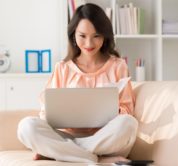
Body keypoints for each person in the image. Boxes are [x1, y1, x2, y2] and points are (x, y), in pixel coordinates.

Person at [17, 3, 138, 164]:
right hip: (66, 136)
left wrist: (113, 110)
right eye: (82, 36)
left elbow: (127, 110)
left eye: (96, 36)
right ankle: (95, 157)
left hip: (105, 138)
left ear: (105, 36)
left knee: (128, 124)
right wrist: (53, 114)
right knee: (26, 127)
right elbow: (45, 113)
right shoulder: (62, 68)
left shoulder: (118, 66)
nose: (89, 43)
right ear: (73, 34)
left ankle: (61, 153)